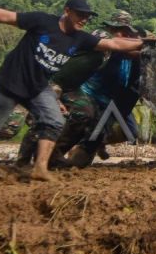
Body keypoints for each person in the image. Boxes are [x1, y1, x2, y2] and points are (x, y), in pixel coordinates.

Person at [0, 0, 143, 181]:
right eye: (80, 14)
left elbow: (115, 45)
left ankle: (41, 167)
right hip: (14, 82)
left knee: (53, 121)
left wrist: (148, 43)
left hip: (40, 86)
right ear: (67, 11)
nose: (83, 19)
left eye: (87, 16)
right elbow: (6, 16)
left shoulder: (80, 38)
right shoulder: (46, 22)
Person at [52, 10, 144, 167]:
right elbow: (113, 45)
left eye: (125, 31)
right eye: (118, 29)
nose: (122, 34)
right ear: (110, 28)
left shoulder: (134, 53)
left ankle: (88, 147)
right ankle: (54, 154)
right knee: (82, 119)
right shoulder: (101, 37)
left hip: (109, 101)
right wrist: (139, 47)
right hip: (88, 93)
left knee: (121, 133)